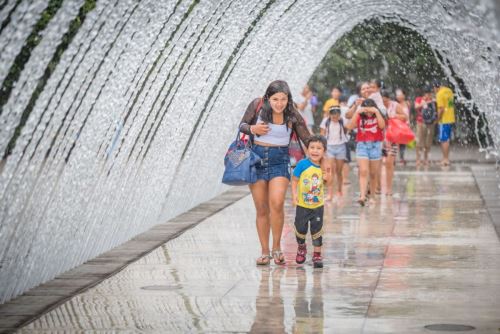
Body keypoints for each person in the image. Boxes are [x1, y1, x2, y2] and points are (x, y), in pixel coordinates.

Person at [239, 80, 311, 265]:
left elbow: (307, 138)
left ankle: (277, 247)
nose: (279, 103)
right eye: (275, 99)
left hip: (280, 160)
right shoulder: (257, 105)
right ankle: (265, 252)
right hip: (256, 160)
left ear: (289, 99)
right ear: (267, 98)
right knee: (262, 208)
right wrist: (252, 129)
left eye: (283, 99)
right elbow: (242, 125)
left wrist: (320, 151)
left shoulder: (292, 113)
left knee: (277, 203)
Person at [291, 135, 327, 268]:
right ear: (307, 150)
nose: (315, 151)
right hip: (302, 205)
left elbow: (329, 181)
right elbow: (294, 180)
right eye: (312, 147)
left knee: (317, 229)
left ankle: (317, 255)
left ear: (324, 151)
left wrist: (327, 176)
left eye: (319, 148)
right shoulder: (302, 164)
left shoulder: (324, 165)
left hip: (318, 206)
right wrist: (294, 194)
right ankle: (301, 247)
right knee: (300, 228)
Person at [346, 99, 385, 206]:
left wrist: (376, 112)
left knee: (373, 174)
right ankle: (362, 196)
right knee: (363, 171)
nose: (368, 112)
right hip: (362, 145)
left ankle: (372, 196)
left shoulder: (377, 115)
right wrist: (358, 111)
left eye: (370, 109)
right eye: (366, 109)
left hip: (375, 145)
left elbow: (382, 126)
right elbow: (349, 127)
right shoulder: (359, 116)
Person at [382, 90, 408, 196]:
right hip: (379, 138)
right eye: (383, 101)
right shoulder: (377, 105)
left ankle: (389, 189)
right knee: (378, 164)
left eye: (386, 101)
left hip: (392, 137)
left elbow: (405, 117)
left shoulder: (395, 105)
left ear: (389, 99)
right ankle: (378, 188)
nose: (384, 103)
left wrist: (393, 117)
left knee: (389, 163)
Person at [320, 107, 348, 200]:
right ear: (329, 114)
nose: (334, 116)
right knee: (330, 171)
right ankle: (330, 194)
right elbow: (322, 135)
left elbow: (348, 129)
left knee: (339, 171)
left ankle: (339, 190)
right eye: (332, 113)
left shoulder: (343, 121)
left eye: (336, 114)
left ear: (339, 114)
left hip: (341, 147)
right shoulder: (326, 121)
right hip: (329, 147)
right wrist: (322, 149)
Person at [434, 81, 455, 166]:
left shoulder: (439, 94)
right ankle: (445, 158)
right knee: (446, 140)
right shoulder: (449, 91)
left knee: (444, 140)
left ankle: (446, 159)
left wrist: (437, 119)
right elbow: (450, 104)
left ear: (436, 87)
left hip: (444, 120)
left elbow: (441, 109)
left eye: (434, 89)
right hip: (450, 118)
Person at [414, 86, 437, 166]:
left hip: (430, 123)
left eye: (430, 94)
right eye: (428, 94)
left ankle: (426, 159)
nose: (429, 95)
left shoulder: (433, 100)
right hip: (420, 123)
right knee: (419, 142)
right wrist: (424, 103)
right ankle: (418, 159)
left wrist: (432, 101)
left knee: (428, 142)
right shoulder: (419, 99)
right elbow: (416, 106)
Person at [395, 88, 411, 165]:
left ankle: (401, 158)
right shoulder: (395, 104)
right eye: (397, 95)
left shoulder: (407, 103)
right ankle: (394, 158)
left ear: (404, 95)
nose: (398, 96)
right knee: (395, 142)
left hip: (405, 125)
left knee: (403, 143)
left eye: (400, 95)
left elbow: (409, 114)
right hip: (397, 125)